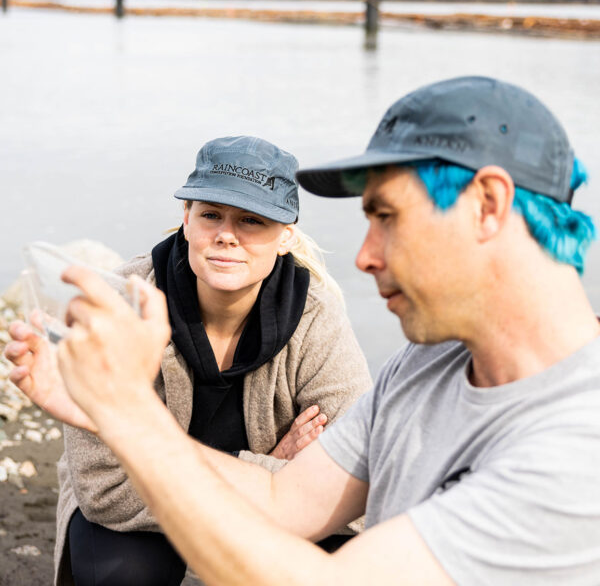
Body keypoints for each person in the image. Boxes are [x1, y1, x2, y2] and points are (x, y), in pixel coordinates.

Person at [7, 76, 600, 585]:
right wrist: (116, 415)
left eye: (386, 216)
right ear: (184, 217)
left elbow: (323, 580)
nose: (364, 257)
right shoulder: (420, 368)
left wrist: (130, 415)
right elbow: (281, 501)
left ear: (488, 204)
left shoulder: (578, 444)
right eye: (210, 214)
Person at [7, 135, 371, 586]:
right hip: (143, 525)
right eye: (211, 214)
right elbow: (104, 491)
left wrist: (291, 493)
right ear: (186, 218)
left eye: (252, 220)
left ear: (285, 237)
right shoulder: (127, 300)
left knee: (352, 561)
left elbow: (357, 493)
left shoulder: (316, 316)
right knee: (125, 575)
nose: (226, 234)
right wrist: (273, 470)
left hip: (173, 499)